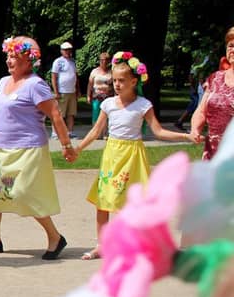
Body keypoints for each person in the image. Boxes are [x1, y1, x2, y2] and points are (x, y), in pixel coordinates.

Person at [72, 52, 194, 260]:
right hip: (112, 155)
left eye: (122, 81)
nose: (117, 85)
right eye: (114, 81)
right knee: (103, 201)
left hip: (132, 157)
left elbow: (158, 131)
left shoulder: (143, 105)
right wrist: (78, 148)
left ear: (134, 82)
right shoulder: (108, 104)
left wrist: (186, 136)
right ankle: (102, 245)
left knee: (129, 203)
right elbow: (95, 131)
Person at [0, 37, 74, 260]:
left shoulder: (35, 85)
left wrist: (66, 145)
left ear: (29, 61)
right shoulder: (2, 82)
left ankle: (55, 237)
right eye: (8, 56)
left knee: (24, 195)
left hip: (28, 150)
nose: (9, 61)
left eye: (14, 57)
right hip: (1, 151)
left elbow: (55, 115)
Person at [191, 27, 234, 160]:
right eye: (230, 46)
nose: (232, 50)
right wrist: (195, 129)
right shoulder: (215, 78)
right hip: (213, 155)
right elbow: (201, 111)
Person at [50, 41, 79, 138]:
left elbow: (75, 76)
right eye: (65, 50)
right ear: (61, 51)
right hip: (62, 91)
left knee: (71, 113)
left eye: (69, 50)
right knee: (59, 113)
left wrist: (78, 90)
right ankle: (55, 133)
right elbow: (54, 77)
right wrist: (56, 92)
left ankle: (69, 132)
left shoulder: (73, 62)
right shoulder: (58, 62)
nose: (67, 51)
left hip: (72, 91)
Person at [85, 51, 113, 127]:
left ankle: (105, 132)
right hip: (97, 96)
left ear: (109, 61)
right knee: (96, 115)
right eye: (102, 60)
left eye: (106, 60)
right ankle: (95, 131)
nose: (104, 62)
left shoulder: (111, 71)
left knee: (107, 115)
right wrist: (88, 96)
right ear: (99, 60)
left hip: (108, 97)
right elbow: (90, 84)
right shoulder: (94, 71)